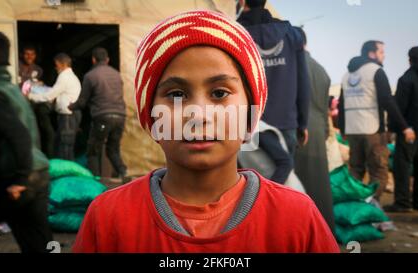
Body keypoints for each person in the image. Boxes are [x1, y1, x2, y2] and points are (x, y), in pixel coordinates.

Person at [72, 11, 339, 253]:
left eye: (220, 93)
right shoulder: (107, 218)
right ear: (150, 117)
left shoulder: (297, 218)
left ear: (250, 115)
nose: (198, 114)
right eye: (176, 94)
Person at [0, 28, 52, 252]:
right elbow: (34, 131)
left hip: (15, 181)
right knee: (40, 244)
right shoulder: (13, 90)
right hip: (39, 175)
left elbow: (18, 134)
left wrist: (20, 179)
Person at [338, 40, 414, 201]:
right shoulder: (375, 71)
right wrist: (404, 127)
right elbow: (387, 100)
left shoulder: (347, 75)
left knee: (355, 170)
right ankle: (371, 206)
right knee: (379, 170)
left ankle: (355, 206)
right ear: (372, 54)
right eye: (381, 52)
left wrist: (343, 129)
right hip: (372, 129)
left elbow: (342, 104)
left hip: (353, 130)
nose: (384, 55)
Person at [237, 0, 311, 161]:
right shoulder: (291, 34)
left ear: (242, 2)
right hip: (286, 123)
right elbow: (303, 83)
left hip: (247, 125)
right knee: (282, 179)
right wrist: (303, 123)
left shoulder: (235, 33)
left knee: (249, 181)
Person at [293, 28, 335, 232]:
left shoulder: (294, 65)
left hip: (299, 130)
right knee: (319, 185)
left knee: (298, 185)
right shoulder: (320, 69)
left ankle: (304, 233)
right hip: (318, 130)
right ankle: (324, 232)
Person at [69, 48, 128, 179]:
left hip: (103, 117)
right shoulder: (117, 74)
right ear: (107, 60)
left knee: (93, 150)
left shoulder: (90, 76)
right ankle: (123, 173)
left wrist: (71, 106)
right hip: (120, 116)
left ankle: (95, 180)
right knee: (113, 149)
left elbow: (82, 101)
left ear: (93, 60)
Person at [384, 46, 418, 212]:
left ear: (409, 59)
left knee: (402, 165)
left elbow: (399, 107)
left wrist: (397, 127)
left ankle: (402, 202)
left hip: (410, 130)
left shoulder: (407, 78)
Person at [28, 53, 81, 160]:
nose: (55, 67)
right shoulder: (71, 77)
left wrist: (30, 96)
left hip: (67, 116)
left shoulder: (64, 77)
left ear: (62, 64)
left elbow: (50, 95)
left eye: (56, 64)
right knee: (67, 145)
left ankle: (66, 174)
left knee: (65, 146)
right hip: (70, 115)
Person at [18, 45, 56, 158]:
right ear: (21, 54)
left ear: (35, 56)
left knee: (37, 128)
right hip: (20, 103)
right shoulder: (16, 66)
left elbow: (39, 85)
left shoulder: (38, 70)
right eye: (27, 54)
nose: (29, 57)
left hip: (34, 104)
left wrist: (40, 85)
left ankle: (39, 155)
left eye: (32, 54)